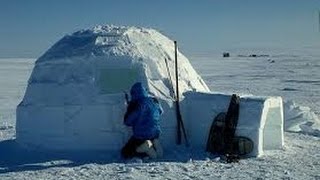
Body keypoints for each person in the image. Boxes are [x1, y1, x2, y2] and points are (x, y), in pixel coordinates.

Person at [121, 82, 163, 159]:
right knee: (150, 137)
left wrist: (128, 109)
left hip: (141, 135)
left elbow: (127, 122)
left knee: (125, 152)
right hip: (155, 133)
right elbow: (160, 111)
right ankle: (154, 144)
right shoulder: (153, 101)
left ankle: (146, 148)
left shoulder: (136, 105)